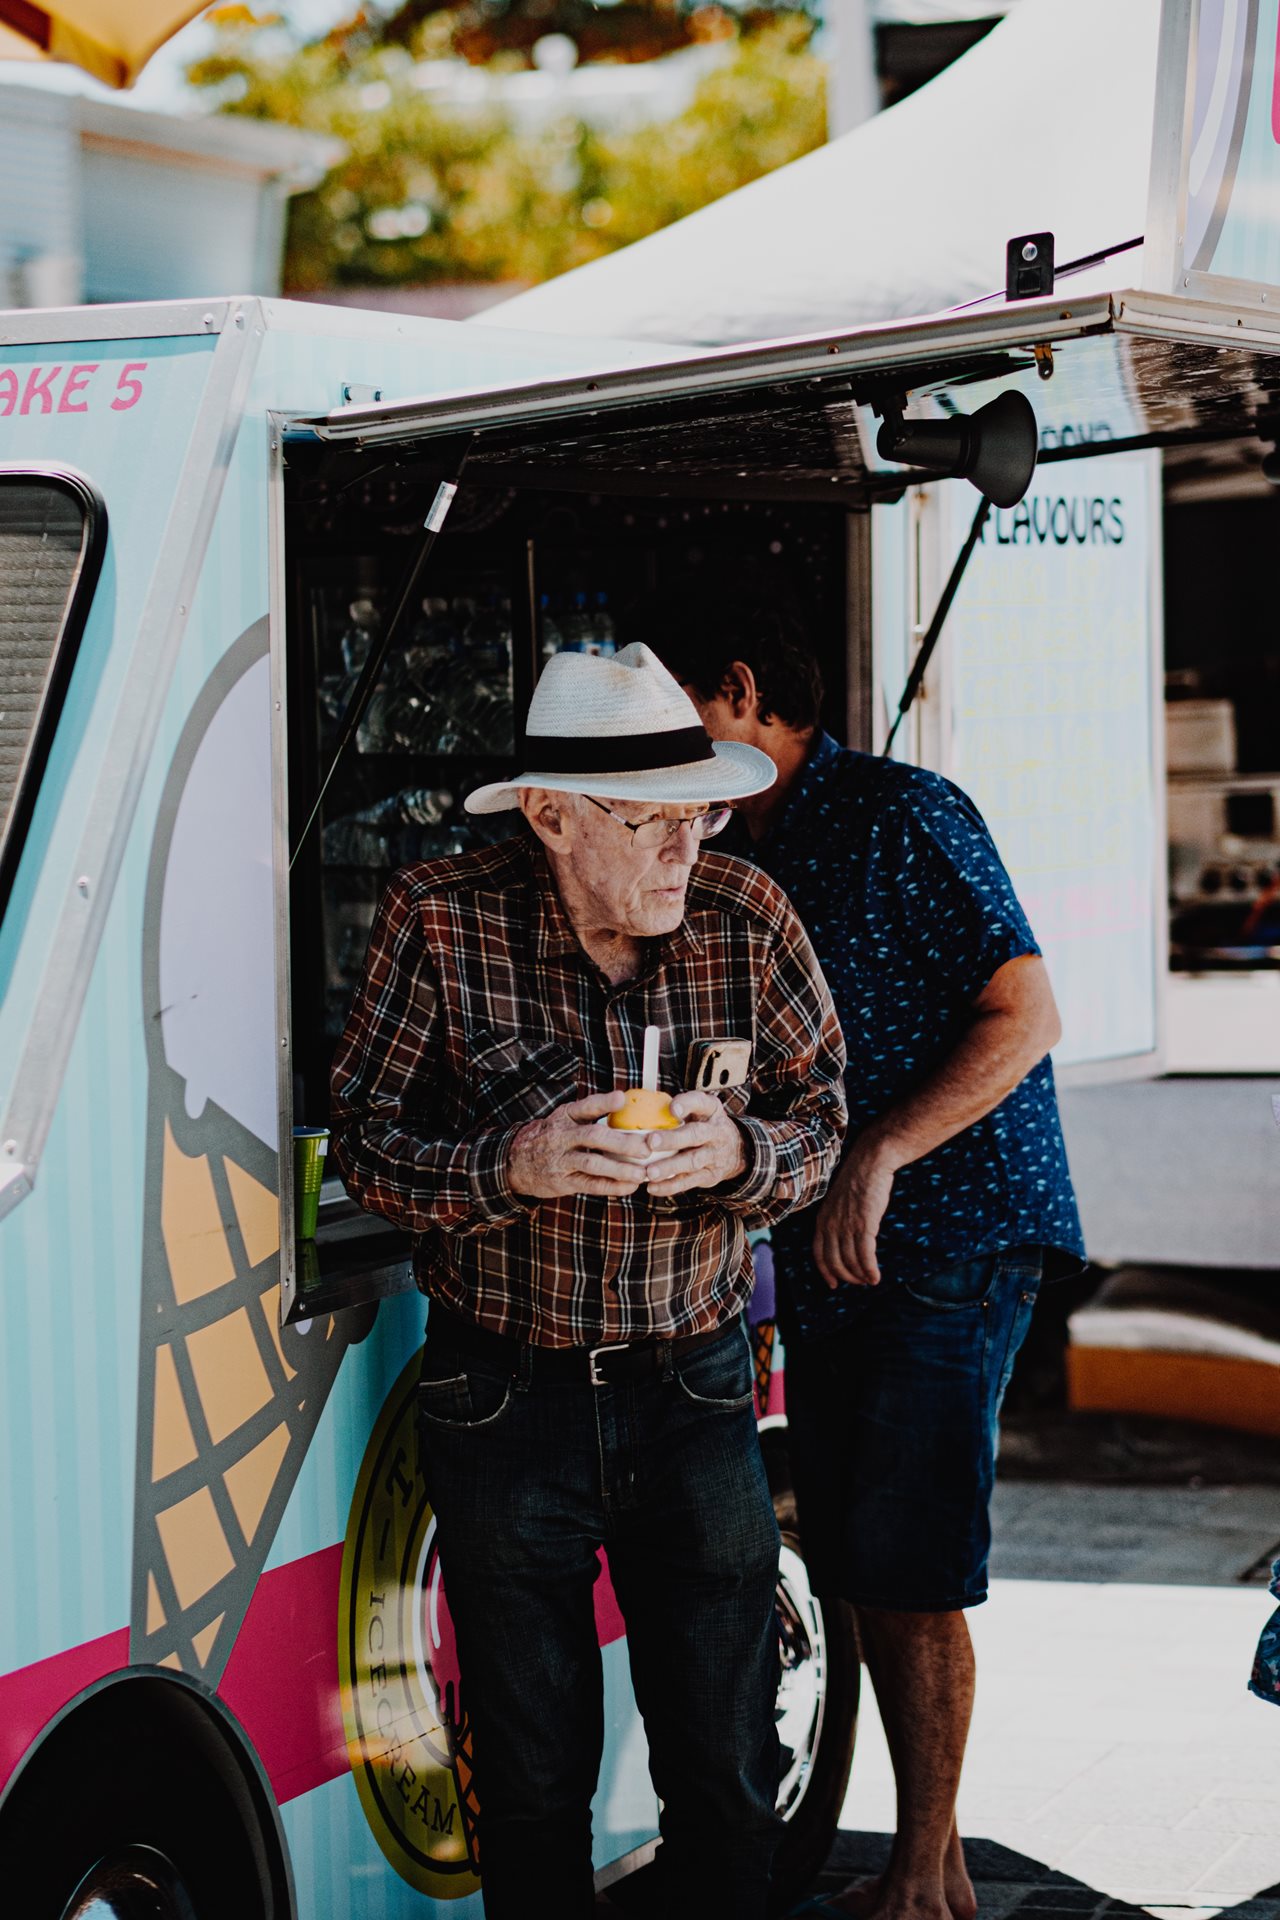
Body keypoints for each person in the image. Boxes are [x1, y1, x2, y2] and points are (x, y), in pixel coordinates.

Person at [330, 642, 847, 1920]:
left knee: (727, 1774)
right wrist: (511, 1164)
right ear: (551, 818)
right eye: (650, 821)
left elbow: (824, 1118)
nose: (685, 849)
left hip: (695, 1384)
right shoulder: (439, 918)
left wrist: (742, 1152)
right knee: (531, 1778)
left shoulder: (746, 914)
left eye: (699, 813)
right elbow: (364, 1144)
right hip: (503, 1397)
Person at [652, 602, 1085, 1920]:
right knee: (855, 1558)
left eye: (678, 712)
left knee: (908, 1563)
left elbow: (1030, 1012)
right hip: (842, 1248)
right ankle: (934, 1877)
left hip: (954, 1233)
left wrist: (885, 1152)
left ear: (740, 690)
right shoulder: (746, 844)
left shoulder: (903, 812)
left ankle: (920, 1871)